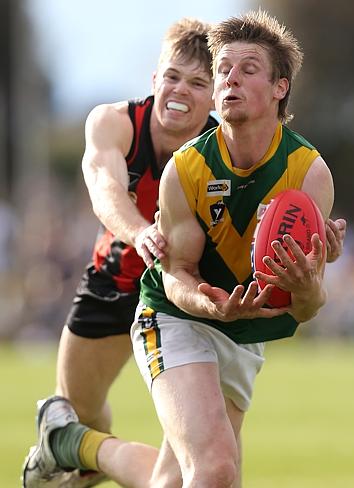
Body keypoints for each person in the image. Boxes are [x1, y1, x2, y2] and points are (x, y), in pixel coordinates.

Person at [129, 9, 342, 488]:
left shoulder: (308, 173)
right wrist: (211, 304)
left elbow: (307, 307)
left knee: (180, 477)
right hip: (174, 316)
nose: (230, 79)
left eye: (248, 70)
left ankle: (78, 450)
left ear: (279, 88)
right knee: (216, 468)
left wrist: (305, 287)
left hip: (243, 334)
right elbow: (175, 272)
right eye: (223, 69)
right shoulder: (185, 170)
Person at [22, 17, 217, 488]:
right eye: (172, 76)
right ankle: (77, 452)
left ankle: (72, 452)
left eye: (197, 83)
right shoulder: (113, 122)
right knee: (79, 416)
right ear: (154, 79)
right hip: (115, 281)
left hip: (186, 293)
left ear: (213, 96)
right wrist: (140, 231)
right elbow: (105, 187)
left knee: (203, 457)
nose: (180, 91)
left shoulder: (222, 147)